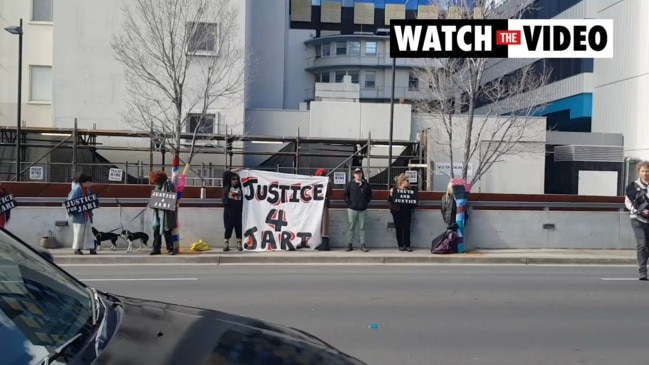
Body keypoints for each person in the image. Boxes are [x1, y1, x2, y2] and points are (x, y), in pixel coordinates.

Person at [625, 161, 649, 280]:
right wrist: (639, 211)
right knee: (642, 244)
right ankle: (642, 271)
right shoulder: (632, 186)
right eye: (643, 171)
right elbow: (628, 203)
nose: (645, 173)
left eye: (647, 171)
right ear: (639, 172)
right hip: (637, 219)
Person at [344, 168, 372, 252]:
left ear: (362, 174)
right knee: (351, 227)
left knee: (362, 227)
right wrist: (350, 203)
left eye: (360, 173)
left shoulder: (366, 185)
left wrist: (365, 203)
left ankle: (363, 244)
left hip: (362, 210)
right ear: (354, 175)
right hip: (352, 209)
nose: (358, 174)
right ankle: (350, 244)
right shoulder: (350, 184)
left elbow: (369, 196)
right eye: (356, 173)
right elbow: (345, 195)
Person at [149, 170, 177, 256]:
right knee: (156, 230)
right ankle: (156, 248)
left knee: (167, 230)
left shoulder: (169, 185)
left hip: (167, 214)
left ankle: (170, 249)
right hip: (157, 213)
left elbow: (172, 198)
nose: (156, 183)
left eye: (157, 181)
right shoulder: (157, 186)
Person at [68, 174, 96, 255]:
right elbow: (71, 201)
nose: (91, 184)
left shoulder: (86, 190)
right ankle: (77, 249)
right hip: (79, 216)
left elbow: (90, 200)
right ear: (87, 182)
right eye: (90, 182)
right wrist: (71, 211)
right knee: (78, 232)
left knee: (89, 233)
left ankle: (91, 248)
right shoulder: (77, 189)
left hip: (86, 215)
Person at [388, 173, 415, 252]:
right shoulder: (394, 190)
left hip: (407, 211)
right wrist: (390, 194)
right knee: (398, 228)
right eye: (407, 180)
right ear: (402, 181)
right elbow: (389, 200)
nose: (408, 182)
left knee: (407, 228)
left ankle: (407, 245)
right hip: (397, 211)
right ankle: (401, 245)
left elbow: (414, 202)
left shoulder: (410, 190)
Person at [222, 168, 243, 252]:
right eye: (233, 179)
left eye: (237, 179)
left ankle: (239, 243)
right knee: (228, 226)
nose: (235, 181)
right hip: (228, 209)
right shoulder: (227, 186)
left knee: (239, 226)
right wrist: (234, 170)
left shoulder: (241, 187)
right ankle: (226, 243)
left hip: (238, 210)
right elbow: (225, 174)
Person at [315, 168, 332, 251]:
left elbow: (329, 192)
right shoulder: (325, 182)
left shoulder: (327, 182)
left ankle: (325, 244)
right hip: (318, 204)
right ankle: (323, 243)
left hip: (323, 204)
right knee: (320, 225)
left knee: (324, 225)